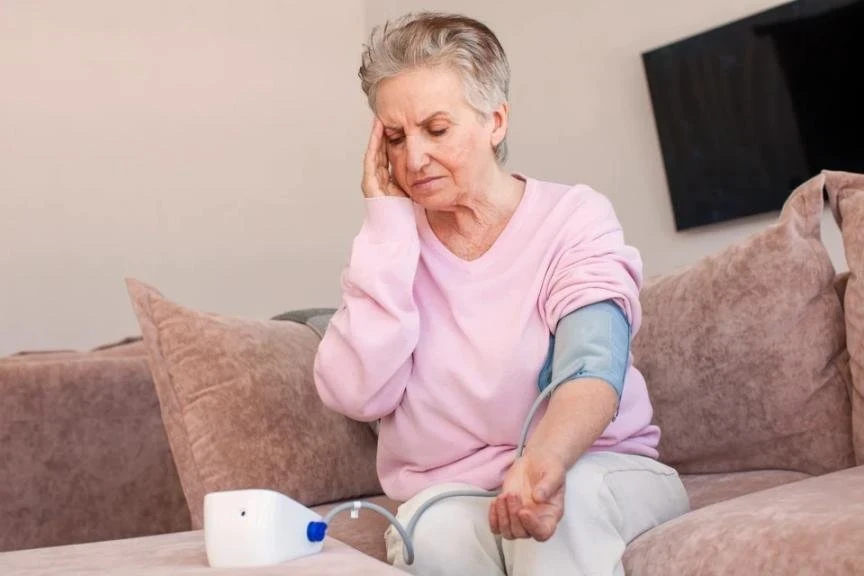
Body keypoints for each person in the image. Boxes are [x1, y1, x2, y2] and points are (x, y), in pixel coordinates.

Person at [313, 11, 689, 576]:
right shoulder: (390, 248)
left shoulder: (572, 217)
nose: (413, 159)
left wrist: (543, 463)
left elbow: (593, 363)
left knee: (563, 507)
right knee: (434, 533)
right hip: (454, 490)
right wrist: (386, 227)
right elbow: (356, 395)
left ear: (495, 121)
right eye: (395, 137)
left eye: (436, 129)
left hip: (594, 464)